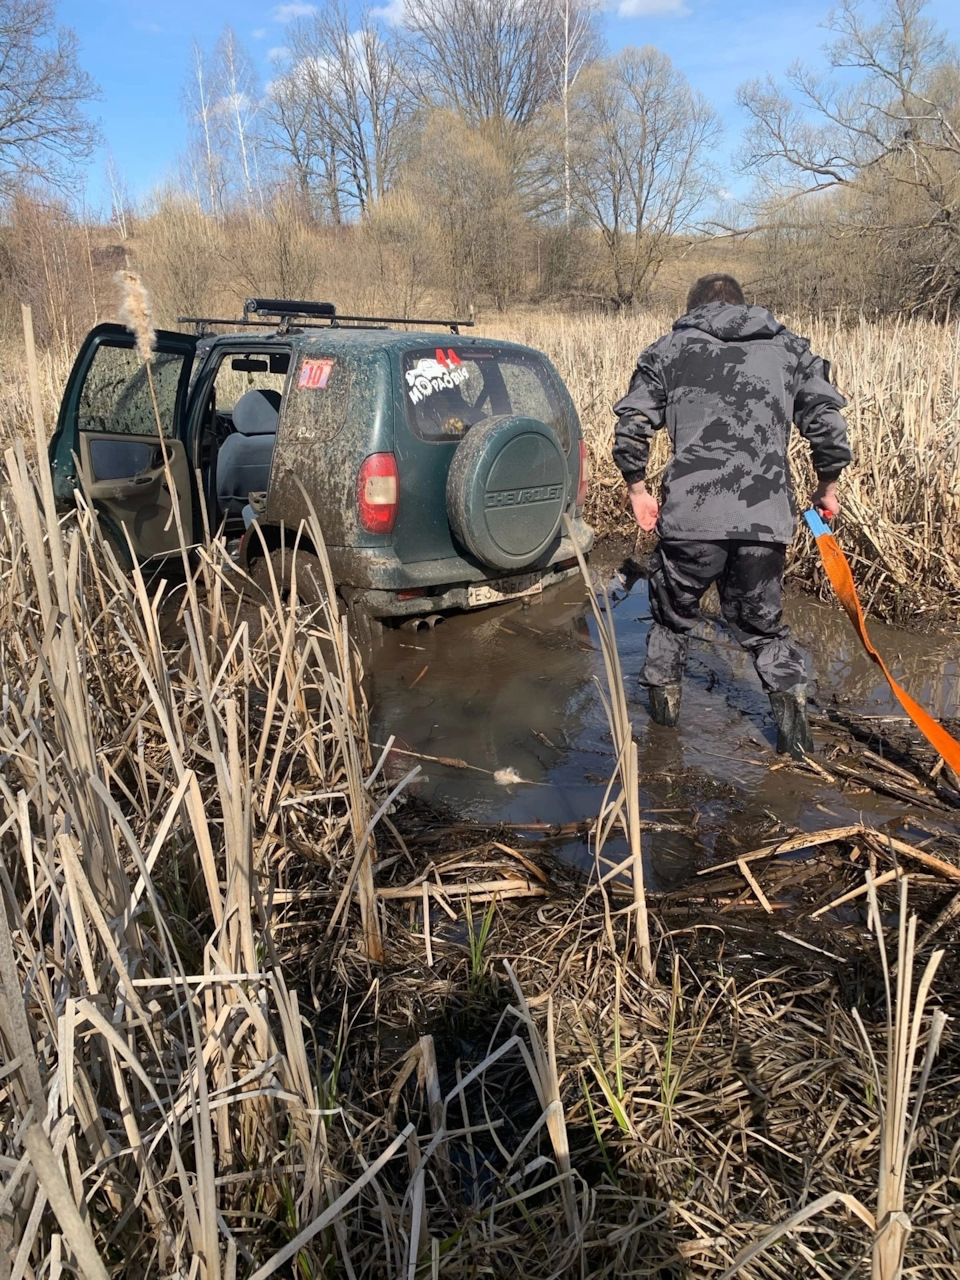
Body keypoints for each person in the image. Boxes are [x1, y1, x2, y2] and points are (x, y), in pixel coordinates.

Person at [612, 273, 853, 758]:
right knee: (763, 632)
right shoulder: (790, 349)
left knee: (671, 623)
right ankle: (798, 749)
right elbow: (829, 427)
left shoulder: (668, 350)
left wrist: (638, 490)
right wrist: (827, 487)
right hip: (763, 524)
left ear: (693, 308)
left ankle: (662, 749)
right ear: (743, 305)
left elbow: (632, 427)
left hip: (690, 521)